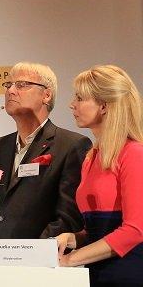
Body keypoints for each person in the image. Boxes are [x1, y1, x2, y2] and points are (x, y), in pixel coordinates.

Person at [0, 62, 92, 239]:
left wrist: (26, 252)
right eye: (8, 85)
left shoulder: (71, 145)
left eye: (22, 85)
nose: (11, 91)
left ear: (47, 95)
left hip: (37, 255)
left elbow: (68, 219)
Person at [56, 65, 143, 286]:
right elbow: (96, 230)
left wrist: (71, 259)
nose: (72, 104)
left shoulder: (134, 153)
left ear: (104, 106)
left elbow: (135, 230)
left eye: (80, 98)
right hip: (96, 273)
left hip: (129, 273)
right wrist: (74, 238)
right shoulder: (91, 157)